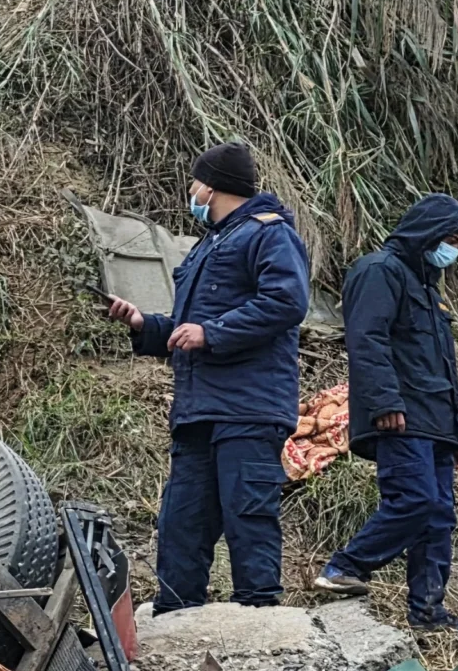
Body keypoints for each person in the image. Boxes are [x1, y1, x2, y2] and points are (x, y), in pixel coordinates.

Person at [102, 143, 310, 611]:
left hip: (249, 409)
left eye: (195, 182)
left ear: (212, 186)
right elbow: (186, 330)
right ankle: (176, 615)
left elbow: (286, 303)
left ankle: (259, 622)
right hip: (198, 411)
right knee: (181, 523)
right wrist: (144, 325)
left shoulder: (269, 235)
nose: (191, 191)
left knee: (248, 517)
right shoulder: (206, 246)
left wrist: (212, 333)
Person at [314, 195, 458, 639]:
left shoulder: (429, 290)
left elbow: (442, 366)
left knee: (438, 517)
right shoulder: (379, 271)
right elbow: (367, 340)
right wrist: (385, 402)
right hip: (402, 416)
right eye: (447, 237)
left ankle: (429, 614)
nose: (451, 248)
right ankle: (345, 567)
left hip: (435, 424)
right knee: (414, 500)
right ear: (425, 230)